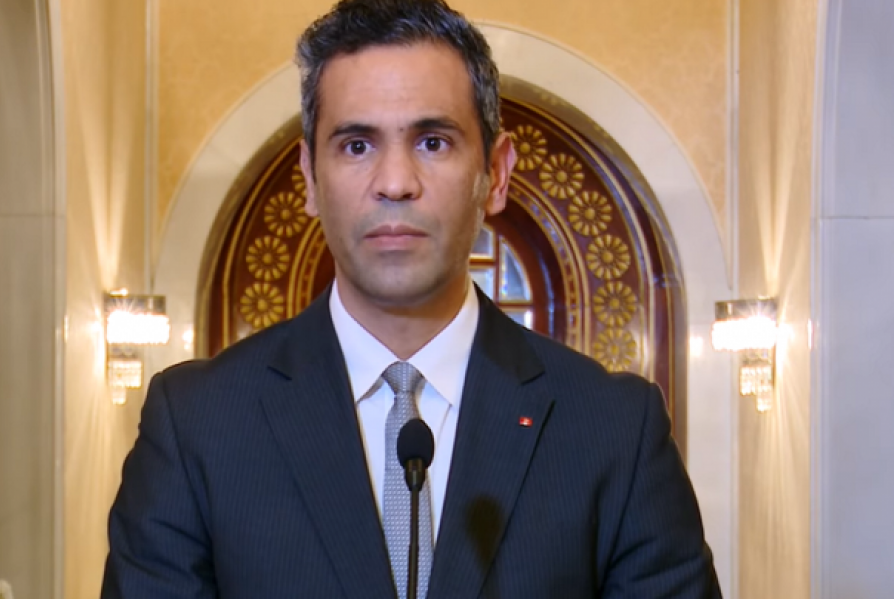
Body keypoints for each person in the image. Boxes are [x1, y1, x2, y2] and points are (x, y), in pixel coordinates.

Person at [101, 0, 722, 597]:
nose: (395, 183)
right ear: (310, 179)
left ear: (496, 174)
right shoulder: (197, 424)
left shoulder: (615, 430)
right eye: (357, 145)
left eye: (433, 142)